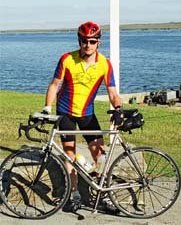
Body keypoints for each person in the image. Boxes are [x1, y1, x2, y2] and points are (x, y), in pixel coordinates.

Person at [42, 21, 123, 211]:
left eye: (92, 41)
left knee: (100, 154)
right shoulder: (67, 59)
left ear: (98, 42)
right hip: (65, 113)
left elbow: (112, 92)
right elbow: (55, 85)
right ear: (79, 41)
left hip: (87, 114)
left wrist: (118, 108)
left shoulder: (104, 64)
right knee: (69, 154)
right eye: (84, 41)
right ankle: (74, 193)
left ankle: (102, 192)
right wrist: (47, 108)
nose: (88, 45)